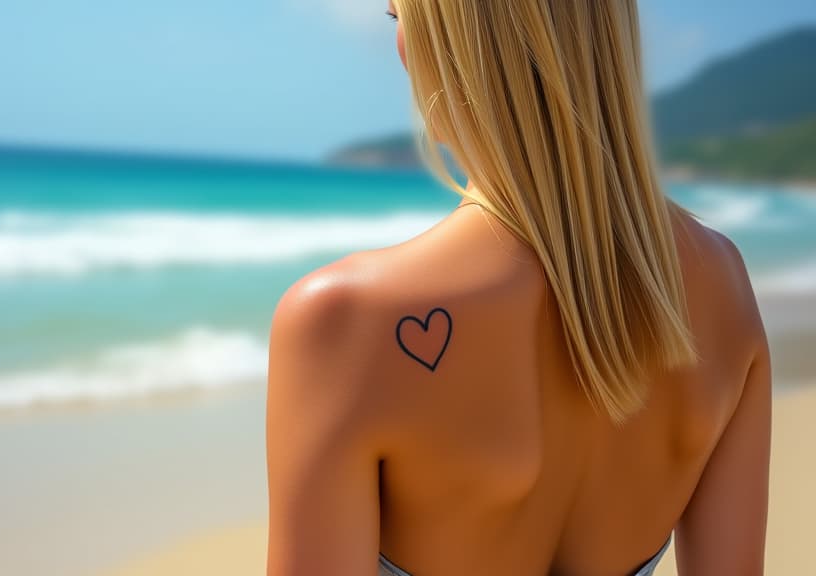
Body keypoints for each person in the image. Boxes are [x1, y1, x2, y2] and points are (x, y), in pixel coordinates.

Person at [265, 1, 771, 575]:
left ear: (446, 36)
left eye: (398, 16)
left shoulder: (343, 322)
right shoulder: (723, 283)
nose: (401, 47)